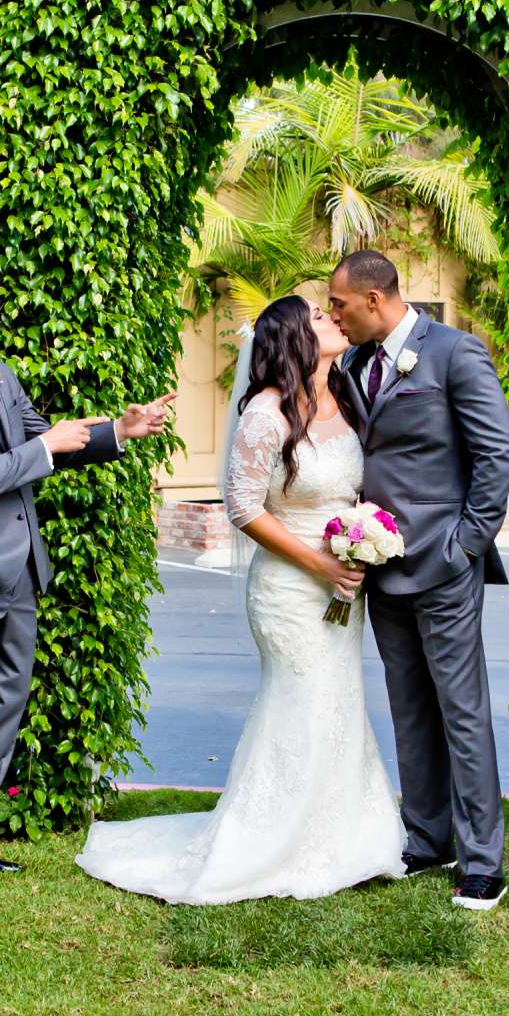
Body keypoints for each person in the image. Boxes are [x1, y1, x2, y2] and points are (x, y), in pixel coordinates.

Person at [76, 296, 405, 902]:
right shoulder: (265, 412)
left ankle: (344, 835)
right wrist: (319, 562)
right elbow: (243, 506)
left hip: (344, 579)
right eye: (319, 318)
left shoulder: (346, 396)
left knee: (337, 701)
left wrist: (362, 541)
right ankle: (271, 841)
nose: (334, 319)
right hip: (289, 585)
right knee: (300, 700)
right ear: (294, 340)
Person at [0, 278, 171, 893]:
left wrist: (120, 431)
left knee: (6, 701)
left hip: (24, 568)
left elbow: (50, 439)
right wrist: (45, 445)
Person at [325, 249, 509, 910]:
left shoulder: (455, 354)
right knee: (409, 707)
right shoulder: (352, 365)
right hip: (380, 565)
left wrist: (466, 543)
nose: (334, 316)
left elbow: (497, 454)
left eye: (340, 305)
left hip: (444, 563)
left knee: (462, 711)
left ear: (375, 299)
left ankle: (482, 860)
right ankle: (428, 836)